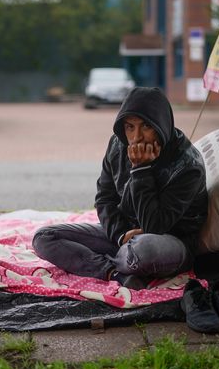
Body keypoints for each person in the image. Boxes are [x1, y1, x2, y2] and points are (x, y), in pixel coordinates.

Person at [32, 87, 208, 289]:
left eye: (146, 126)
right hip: (125, 235)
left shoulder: (188, 166)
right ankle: (115, 273)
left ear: (162, 125)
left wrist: (141, 169)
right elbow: (104, 199)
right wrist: (120, 235)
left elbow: (155, 226)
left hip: (168, 242)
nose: (137, 137)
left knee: (143, 251)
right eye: (130, 127)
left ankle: (108, 260)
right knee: (44, 237)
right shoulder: (118, 145)